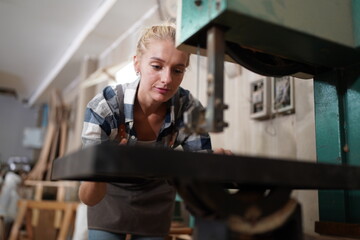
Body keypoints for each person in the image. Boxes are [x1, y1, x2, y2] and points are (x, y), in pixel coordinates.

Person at [78, 23, 231, 240]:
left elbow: (201, 179)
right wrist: (102, 168)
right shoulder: (104, 107)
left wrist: (213, 169)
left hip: (156, 197)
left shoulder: (189, 109)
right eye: (157, 66)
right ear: (137, 63)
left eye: (178, 70)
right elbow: (89, 198)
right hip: (107, 195)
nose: (167, 79)